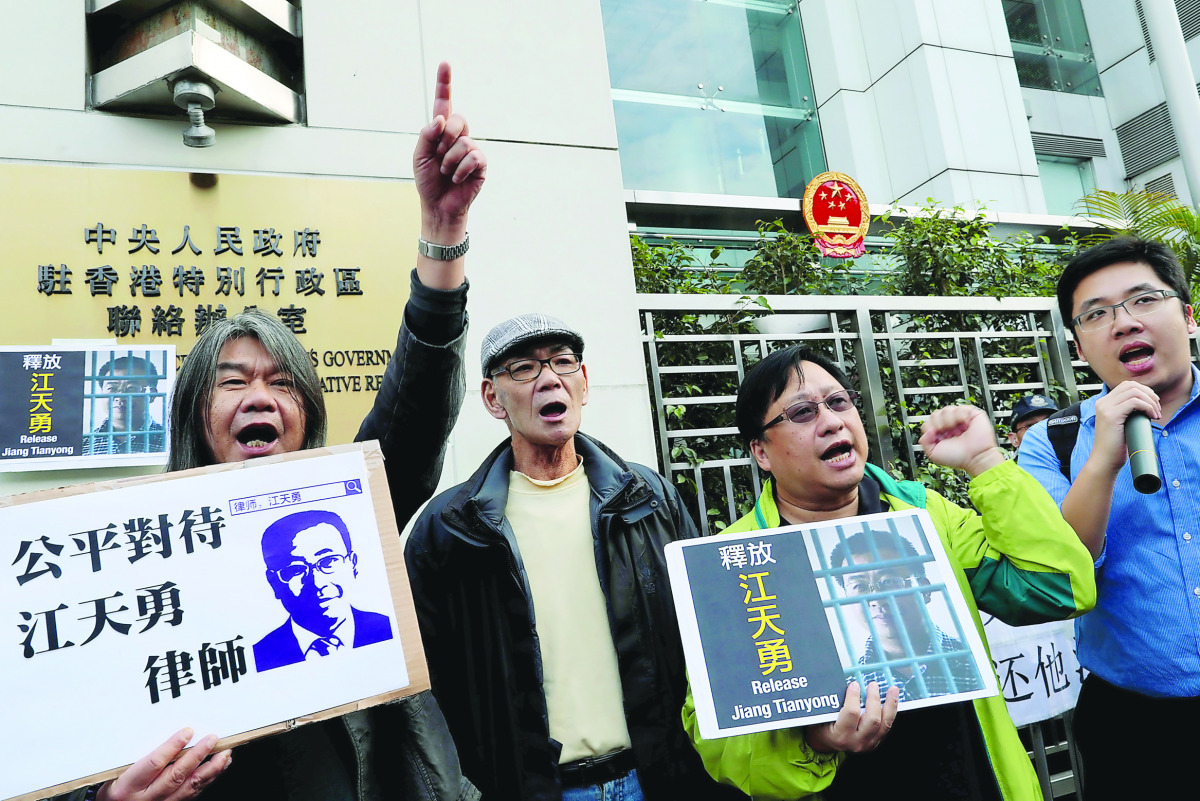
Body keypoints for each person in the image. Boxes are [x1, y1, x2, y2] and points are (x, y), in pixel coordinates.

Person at [73, 60, 485, 801]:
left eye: (281, 381)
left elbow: (417, 411)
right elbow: (59, 740)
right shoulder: (130, 562)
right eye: (233, 380)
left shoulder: (346, 508)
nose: (259, 395)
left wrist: (442, 231)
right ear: (197, 413)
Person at [685, 345, 1095, 800]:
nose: (833, 421)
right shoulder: (738, 564)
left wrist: (985, 463)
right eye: (802, 412)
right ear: (761, 452)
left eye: (839, 401)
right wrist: (815, 744)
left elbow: (1057, 588)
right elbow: (724, 744)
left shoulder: (925, 516)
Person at [405, 313, 742, 801]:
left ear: (583, 383)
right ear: (492, 397)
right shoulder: (452, 527)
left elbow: (709, 629)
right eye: (523, 368)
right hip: (533, 789)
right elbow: (427, 688)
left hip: (657, 777)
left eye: (563, 362)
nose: (548, 379)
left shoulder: (647, 498)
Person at [1017, 237, 1200, 800]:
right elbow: (1061, 572)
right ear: (1077, 345)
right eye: (1097, 314)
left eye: (1144, 300)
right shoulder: (1053, 441)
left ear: (1189, 317)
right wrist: (1103, 460)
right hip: (1137, 726)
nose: (1123, 324)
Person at [831, 529, 983, 702]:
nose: (876, 599)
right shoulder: (846, 690)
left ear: (925, 589)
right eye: (858, 587)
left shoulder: (976, 663)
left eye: (888, 581)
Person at [253, 509, 393, 672]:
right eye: (295, 570)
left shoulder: (390, 630)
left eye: (329, 562)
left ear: (352, 564)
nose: (318, 583)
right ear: (274, 582)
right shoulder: (260, 658)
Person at [84, 355, 165, 454]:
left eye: (131, 388)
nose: (120, 397)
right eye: (111, 388)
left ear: (152, 395)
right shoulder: (84, 443)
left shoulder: (170, 440)